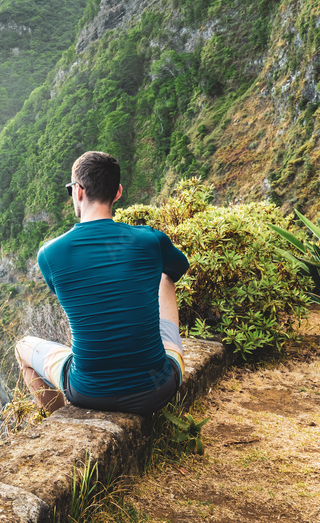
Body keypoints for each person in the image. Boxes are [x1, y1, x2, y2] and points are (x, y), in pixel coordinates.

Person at [14, 151, 190, 416]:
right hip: (157, 388)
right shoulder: (151, 240)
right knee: (165, 276)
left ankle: (62, 418)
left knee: (23, 346)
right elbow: (178, 269)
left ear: (78, 191)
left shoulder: (50, 254)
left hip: (86, 391)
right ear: (117, 192)